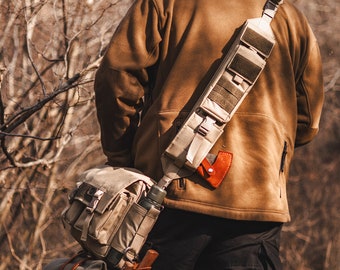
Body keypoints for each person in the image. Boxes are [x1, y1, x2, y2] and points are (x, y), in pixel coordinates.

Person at [94, 0, 324, 269]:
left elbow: (116, 80)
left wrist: (123, 157)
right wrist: (268, 152)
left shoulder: (163, 4)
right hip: (258, 200)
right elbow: (308, 120)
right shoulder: (291, 19)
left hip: (166, 191)